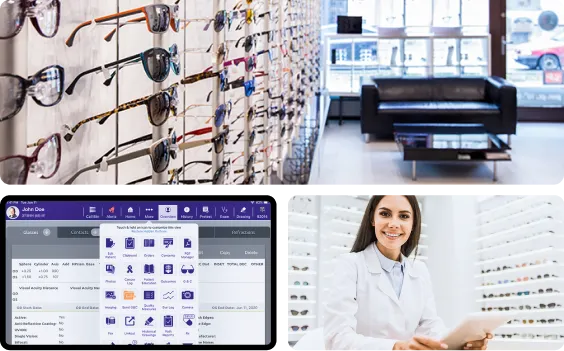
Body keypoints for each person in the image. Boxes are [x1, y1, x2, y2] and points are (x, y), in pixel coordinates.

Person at [324, 194, 493, 351]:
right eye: (385, 214)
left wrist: (462, 344)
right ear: (372, 219)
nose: (394, 224)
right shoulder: (350, 265)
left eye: (404, 216)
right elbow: (336, 338)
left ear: (413, 224)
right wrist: (396, 347)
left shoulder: (419, 270)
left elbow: (430, 325)